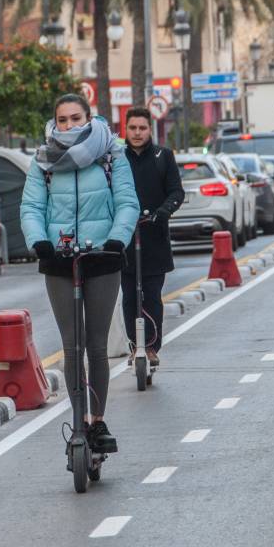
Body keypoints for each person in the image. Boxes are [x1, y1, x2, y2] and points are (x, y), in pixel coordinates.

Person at [20, 93, 139, 454]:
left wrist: (118, 239)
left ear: (89, 119)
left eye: (76, 118)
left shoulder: (111, 154)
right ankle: (77, 420)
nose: (69, 126)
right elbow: (30, 206)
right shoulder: (43, 161)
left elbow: (127, 202)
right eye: (62, 120)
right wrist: (39, 240)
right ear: (54, 123)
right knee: (72, 346)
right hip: (60, 260)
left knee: (96, 345)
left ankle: (96, 420)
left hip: (103, 256)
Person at [120, 107, 183, 368]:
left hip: (154, 238)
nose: (137, 133)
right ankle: (136, 346)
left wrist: (162, 213)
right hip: (123, 240)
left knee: (152, 295)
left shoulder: (162, 156)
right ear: (126, 129)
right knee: (129, 297)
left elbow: (176, 192)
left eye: (142, 128)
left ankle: (153, 347)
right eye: (132, 128)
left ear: (150, 129)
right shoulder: (116, 158)